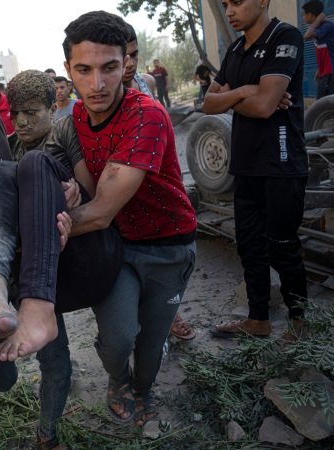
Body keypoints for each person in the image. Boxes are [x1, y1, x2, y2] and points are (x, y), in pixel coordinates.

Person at [3, 11, 194, 427]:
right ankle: (117, 381)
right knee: (119, 338)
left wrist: (38, 230)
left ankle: (142, 389)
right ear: (68, 69)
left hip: (169, 246)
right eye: (84, 71)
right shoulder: (73, 122)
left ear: (126, 63)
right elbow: (81, 186)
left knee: (150, 345)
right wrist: (66, 190)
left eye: (109, 68)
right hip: (119, 247)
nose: (98, 84)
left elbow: (102, 209)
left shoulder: (147, 115)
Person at [0, 57, 118, 449]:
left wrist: (63, 196)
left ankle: (47, 435)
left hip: (29, 259)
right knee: (0, 373)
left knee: (55, 357)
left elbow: (60, 183)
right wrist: (31, 217)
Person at [204, 0, 308, 341]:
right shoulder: (235, 49)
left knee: (282, 245)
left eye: (237, 2)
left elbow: (265, 107)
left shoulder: (285, 36)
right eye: (225, 4)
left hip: (281, 162)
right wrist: (247, 89)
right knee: (249, 245)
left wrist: (236, 97)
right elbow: (208, 103)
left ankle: (300, 321)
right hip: (245, 164)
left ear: (262, 0)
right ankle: (258, 318)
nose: (230, 10)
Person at [123, 24, 195, 342]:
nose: (127, 63)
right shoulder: (97, 96)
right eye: (119, 56)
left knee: (164, 265)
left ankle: (168, 316)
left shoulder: (147, 82)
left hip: (159, 179)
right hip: (122, 188)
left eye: (134, 54)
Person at [302, 0, 334, 99]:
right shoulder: (320, 28)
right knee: (322, 102)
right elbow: (322, 51)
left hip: (332, 69)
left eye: (304, 15)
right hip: (327, 70)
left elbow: (307, 36)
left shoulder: (328, 25)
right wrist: (320, 69)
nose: (303, 17)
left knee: (323, 103)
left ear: (310, 15)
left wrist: (317, 21)